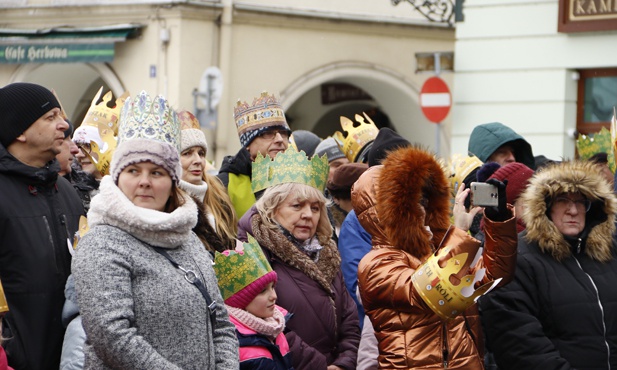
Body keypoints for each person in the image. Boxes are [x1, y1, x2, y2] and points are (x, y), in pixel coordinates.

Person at [71, 91, 239, 368]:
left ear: (173, 182)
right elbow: (112, 335)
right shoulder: (101, 244)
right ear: (118, 176)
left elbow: (219, 320)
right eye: (133, 171)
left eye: (157, 172)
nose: (145, 181)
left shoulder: (187, 238)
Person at [355, 145, 518, 369]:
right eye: (411, 203)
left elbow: (494, 275)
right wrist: (459, 233)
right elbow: (430, 293)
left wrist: (497, 221)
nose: (422, 210)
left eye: (424, 201)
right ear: (386, 212)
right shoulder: (376, 264)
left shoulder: (441, 249)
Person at [479, 160, 617, 370]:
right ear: (545, 205)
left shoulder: (607, 254)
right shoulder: (517, 259)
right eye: (563, 199)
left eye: (581, 201)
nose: (573, 210)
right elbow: (519, 344)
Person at [238, 147, 360, 370]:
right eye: (297, 206)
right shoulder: (252, 251)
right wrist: (320, 366)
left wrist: (344, 363)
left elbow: (350, 320)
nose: (308, 215)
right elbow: (267, 322)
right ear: (272, 208)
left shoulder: (327, 252)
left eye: (315, 208)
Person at [0, 82, 84, 370]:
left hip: (68, 358)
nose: (65, 125)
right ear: (19, 132)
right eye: (50, 117)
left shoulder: (67, 191)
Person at [214, 236, 293, 370]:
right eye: (262, 291)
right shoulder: (234, 345)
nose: (273, 296)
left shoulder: (275, 328)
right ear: (240, 300)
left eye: (272, 287)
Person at [218, 92, 291, 218]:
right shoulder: (224, 184)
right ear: (248, 144)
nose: (279, 139)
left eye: (284, 133)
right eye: (268, 134)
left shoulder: (302, 177)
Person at [178, 110, 237, 251]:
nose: (198, 160)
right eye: (187, 153)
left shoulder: (219, 200)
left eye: (201, 153)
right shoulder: (165, 202)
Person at [468, 121, 536, 169]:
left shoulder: (534, 187)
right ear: (485, 159)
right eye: (502, 152)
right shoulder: (464, 188)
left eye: (513, 152)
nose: (512, 158)